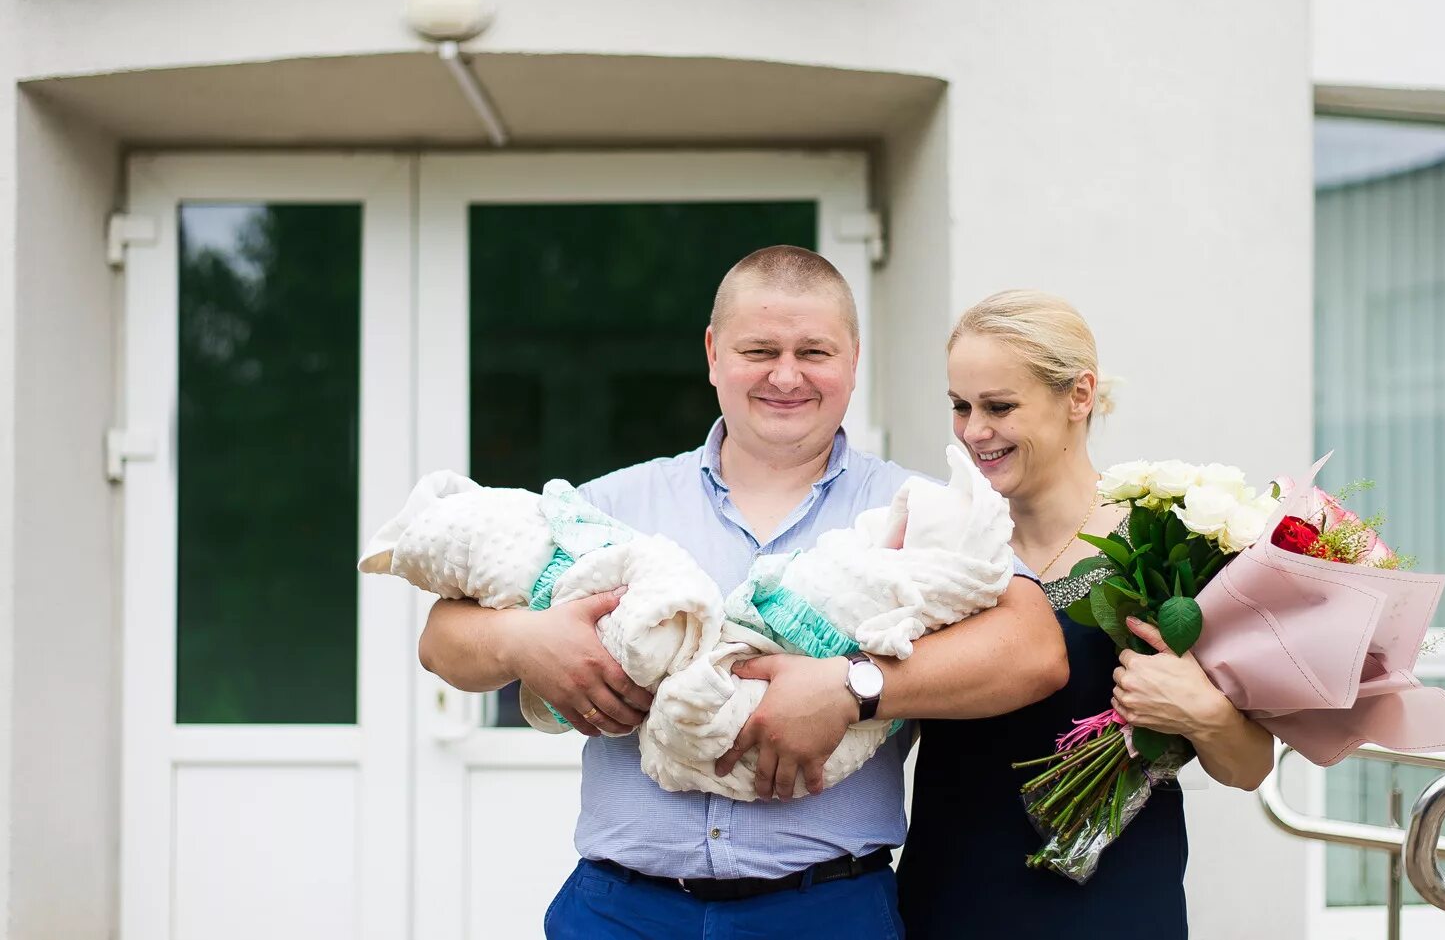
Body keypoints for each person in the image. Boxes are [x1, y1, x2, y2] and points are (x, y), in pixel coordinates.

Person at [417, 248, 1068, 940]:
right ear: (713, 352)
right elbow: (440, 640)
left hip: (826, 911)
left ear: (853, 358)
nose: (786, 375)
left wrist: (852, 687)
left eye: (813, 351)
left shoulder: (918, 511)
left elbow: (1033, 650)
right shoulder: (610, 505)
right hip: (619, 910)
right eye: (760, 349)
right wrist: (523, 639)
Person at [895, 290, 1274, 939]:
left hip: (1114, 903)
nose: (973, 431)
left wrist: (1203, 712)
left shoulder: (1166, 549)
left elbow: (1249, 767)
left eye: (999, 406)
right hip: (951, 892)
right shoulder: (942, 544)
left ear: (1079, 396)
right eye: (960, 406)